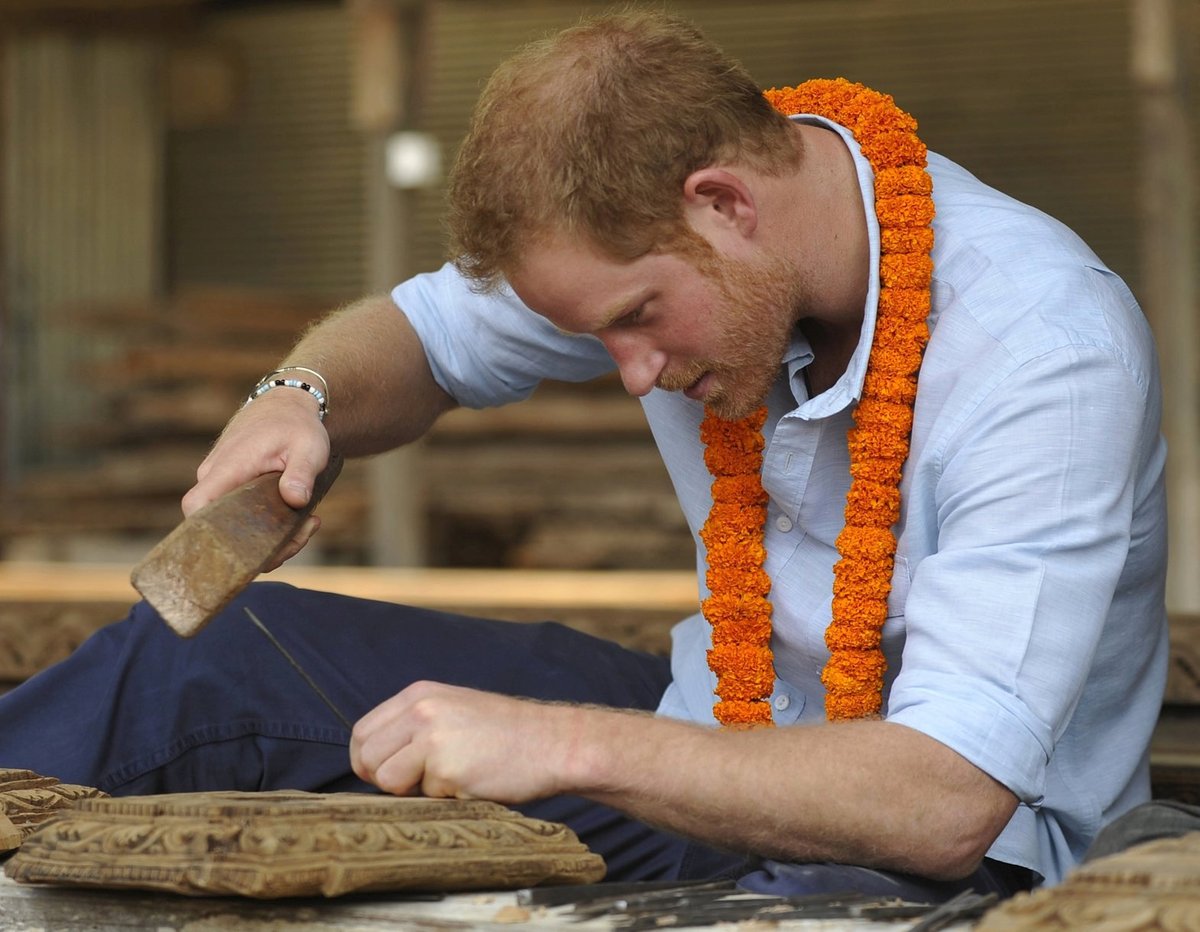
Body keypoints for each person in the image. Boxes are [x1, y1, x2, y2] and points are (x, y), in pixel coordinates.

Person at [0, 9, 1167, 902]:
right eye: (595, 331)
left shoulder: (1046, 347)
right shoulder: (656, 246)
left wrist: (554, 739)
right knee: (211, 657)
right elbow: (422, 334)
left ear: (723, 202)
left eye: (638, 316)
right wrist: (299, 396)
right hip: (704, 728)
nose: (630, 371)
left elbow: (946, 799)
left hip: (948, 858)